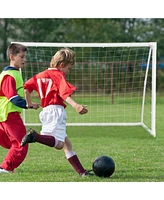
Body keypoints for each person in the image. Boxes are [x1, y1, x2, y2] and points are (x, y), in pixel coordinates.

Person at [21, 48, 93, 176]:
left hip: (46, 111)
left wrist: (30, 103)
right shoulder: (59, 75)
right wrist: (76, 105)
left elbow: (26, 88)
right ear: (61, 65)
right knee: (59, 144)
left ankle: (82, 172)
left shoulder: (39, 75)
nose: (68, 71)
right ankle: (34, 136)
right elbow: (64, 94)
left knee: (66, 144)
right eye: (68, 68)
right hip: (56, 110)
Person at [0, 43, 39, 173]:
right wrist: (27, 105)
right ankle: (6, 167)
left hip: (5, 115)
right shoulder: (9, 75)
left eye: (25, 57)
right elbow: (12, 98)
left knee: (10, 142)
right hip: (9, 115)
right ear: (12, 57)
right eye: (21, 57)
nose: (24, 60)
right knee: (21, 142)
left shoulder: (13, 73)